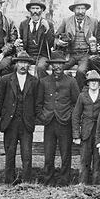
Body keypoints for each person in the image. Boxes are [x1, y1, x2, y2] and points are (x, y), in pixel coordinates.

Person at [36, 52, 80, 186]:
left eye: (60, 64)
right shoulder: (44, 82)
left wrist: (69, 115)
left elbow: (76, 104)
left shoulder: (71, 81)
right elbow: (38, 104)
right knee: (48, 154)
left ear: (64, 66)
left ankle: (64, 181)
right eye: (55, 64)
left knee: (65, 154)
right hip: (49, 123)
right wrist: (43, 116)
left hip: (65, 123)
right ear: (51, 66)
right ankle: (48, 180)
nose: (57, 67)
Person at [0, 51, 39, 184]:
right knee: (10, 153)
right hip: (10, 123)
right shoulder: (6, 80)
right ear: (16, 64)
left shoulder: (34, 81)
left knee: (27, 155)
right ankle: (9, 181)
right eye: (20, 62)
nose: (23, 65)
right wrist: (6, 116)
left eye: (25, 63)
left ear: (29, 65)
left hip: (26, 124)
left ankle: (26, 183)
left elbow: (37, 102)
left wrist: (31, 118)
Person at [55, 0, 99, 90]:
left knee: (81, 71)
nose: (80, 11)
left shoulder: (93, 21)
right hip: (70, 54)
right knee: (59, 68)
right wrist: (59, 42)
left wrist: (95, 48)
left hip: (85, 54)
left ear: (86, 10)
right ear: (74, 10)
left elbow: (98, 38)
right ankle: (61, 90)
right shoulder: (66, 21)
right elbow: (56, 37)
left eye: (83, 9)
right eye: (78, 9)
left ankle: (78, 93)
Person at [72, 70, 100, 185]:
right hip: (86, 133)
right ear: (88, 83)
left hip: (99, 132)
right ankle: (82, 184)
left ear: (99, 83)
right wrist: (76, 135)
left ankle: (96, 184)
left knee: (98, 160)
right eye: (91, 81)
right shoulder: (82, 96)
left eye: (96, 81)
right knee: (84, 160)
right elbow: (76, 115)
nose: (94, 84)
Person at [17, 0, 54, 79]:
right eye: (33, 8)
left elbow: (51, 44)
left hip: (42, 56)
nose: (35, 11)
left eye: (37, 8)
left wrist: (47, 29)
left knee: (40, 68)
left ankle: (43, 89)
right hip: (28, 55)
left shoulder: (48, 24)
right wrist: (18, 43)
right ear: (29, 10)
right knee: (16, 66)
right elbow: (22, 41)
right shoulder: (23, 24)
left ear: (41, 10)